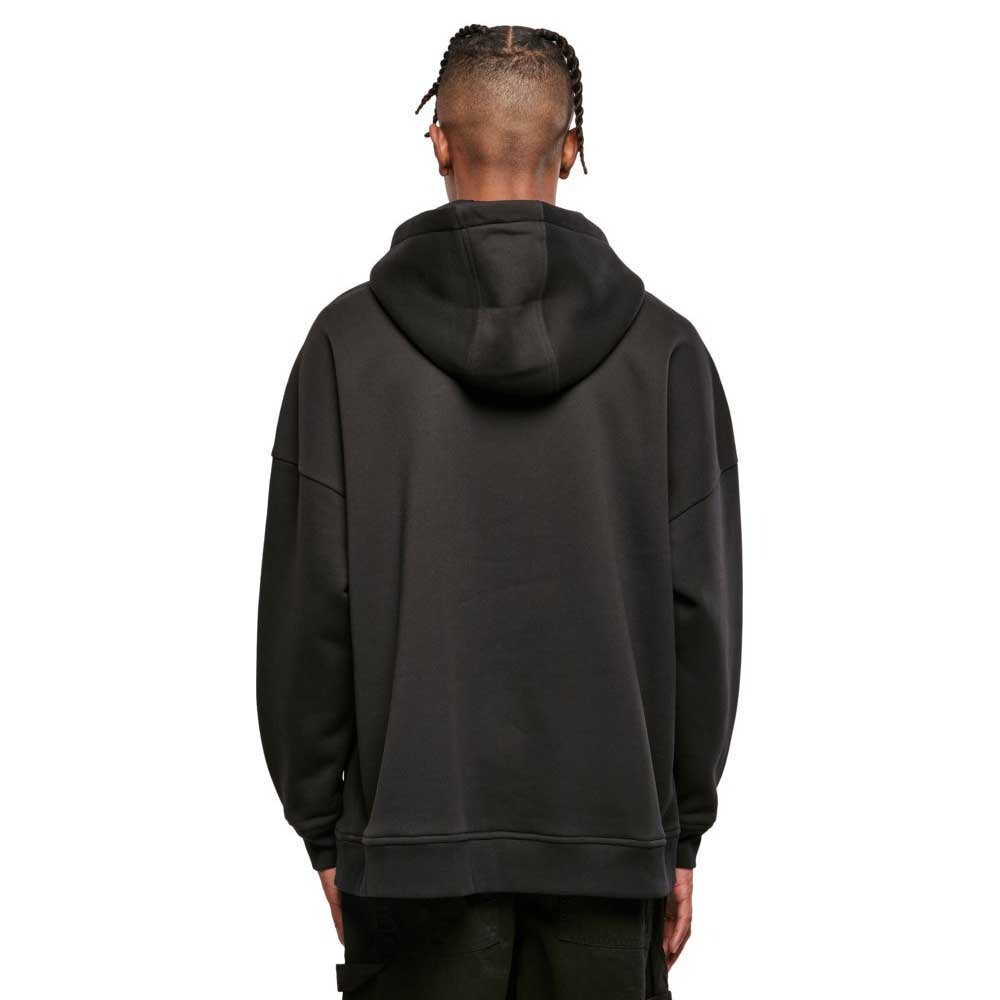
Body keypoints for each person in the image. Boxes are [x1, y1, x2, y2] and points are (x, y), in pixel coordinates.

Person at [257, 23, 742, 999]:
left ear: (438, 141)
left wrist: (326, 830)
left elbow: (308, 609)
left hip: (410, 854)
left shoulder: (345, 348)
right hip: (610, 850)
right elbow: (703, 619)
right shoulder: (667, 357)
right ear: (570, 149)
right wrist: (679, 834)